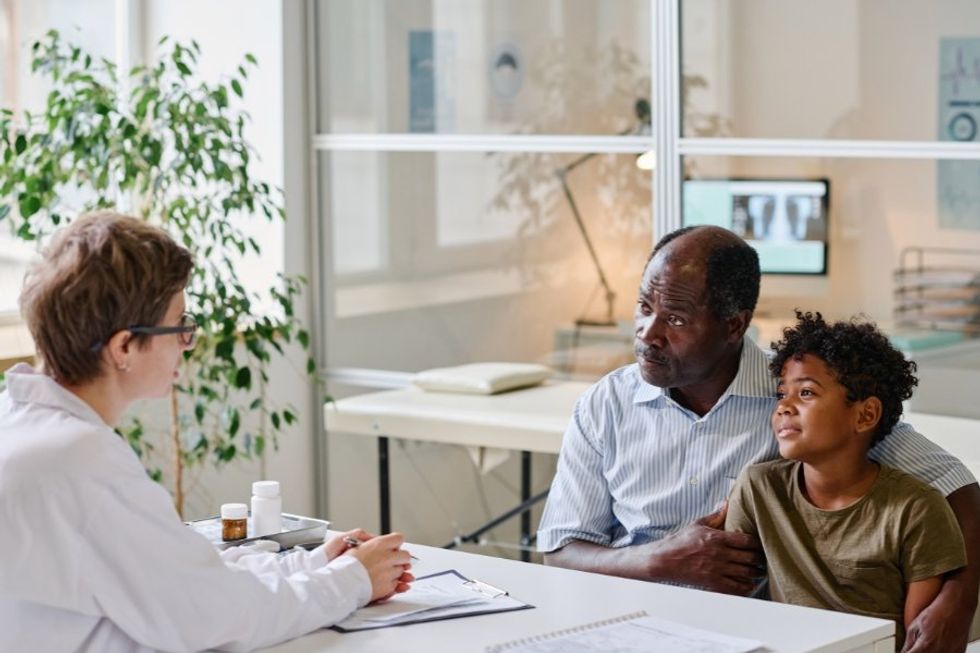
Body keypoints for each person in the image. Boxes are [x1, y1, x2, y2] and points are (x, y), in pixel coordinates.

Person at [538, 225, 980, 652]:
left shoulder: (800, 398)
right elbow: (560, 552)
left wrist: (957, 605)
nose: (647, 332)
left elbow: (961, 493)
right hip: (622, 625)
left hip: (749, 634)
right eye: (643, 307)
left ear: (734, 325)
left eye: (675, 318)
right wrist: (660, 559)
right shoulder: (605, 404)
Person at [0, 212, 414, 651]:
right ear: (123, 347)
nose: (187, 342)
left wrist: (312, 566)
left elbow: (181, 581)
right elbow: (209, 618)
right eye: (180, 326)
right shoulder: (80, 460)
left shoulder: (23, 425)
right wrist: (352, 582)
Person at [726, 311, 967, 650]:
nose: (784, 407)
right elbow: (731, 610)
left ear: (865, 414)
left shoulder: (915, 509)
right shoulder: (759, 488)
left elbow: (921, 642)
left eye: (806, 393)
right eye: (782, 393)